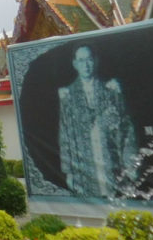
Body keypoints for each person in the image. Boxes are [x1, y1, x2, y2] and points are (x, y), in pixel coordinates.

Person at [57, 45, 138, 197]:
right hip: (85, 170)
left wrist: (131, 165)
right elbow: (65, 135)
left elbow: (127, 130)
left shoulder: (111, 90)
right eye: (81, 61)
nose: (86, 65)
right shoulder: (68, 96)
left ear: (95, 61)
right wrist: (68, 171)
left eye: (89, 60)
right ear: (75, 63)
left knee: (118, 203)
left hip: (112, 165)